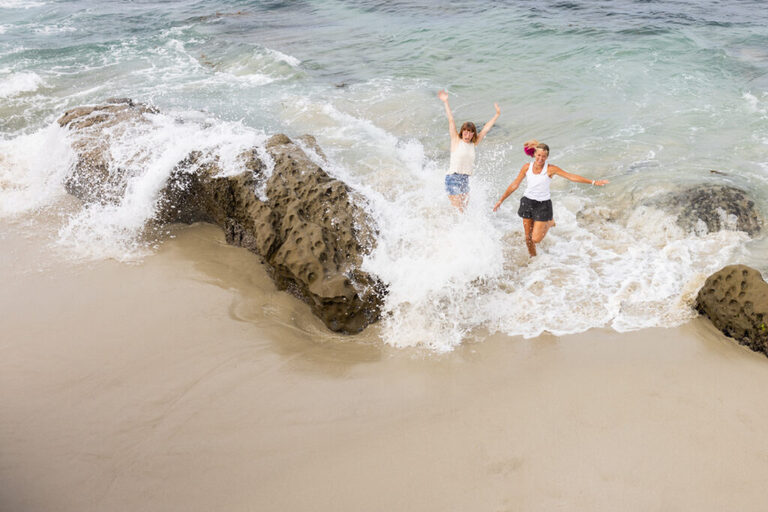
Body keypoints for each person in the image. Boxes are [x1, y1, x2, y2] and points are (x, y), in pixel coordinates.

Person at [493, 142, 609, 257]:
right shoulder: (527, 167)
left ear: (547, 157)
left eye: (543, 156)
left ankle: (549, 223)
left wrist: (593, 182)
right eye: (538, 155)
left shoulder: (551, 169)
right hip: (527, 202)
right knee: (528, 238)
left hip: (543, 205)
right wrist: (501, 200)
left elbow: (570, 176)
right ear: (534, 155)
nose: (540, 158)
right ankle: (533, 259)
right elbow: (515, 184)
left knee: (536, 239)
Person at [438, 89, 500, 212]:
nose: (467, 134)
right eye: (465, 132)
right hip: (453, 178)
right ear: (462, 132)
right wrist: (446, 102)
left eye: (470, 132)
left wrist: (497, 114)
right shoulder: (456, 140)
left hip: (465, 180)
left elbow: (485, 129)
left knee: (464, 211)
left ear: (473, 134)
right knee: (458, 211)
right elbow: (451, 120)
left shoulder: (473, 143)